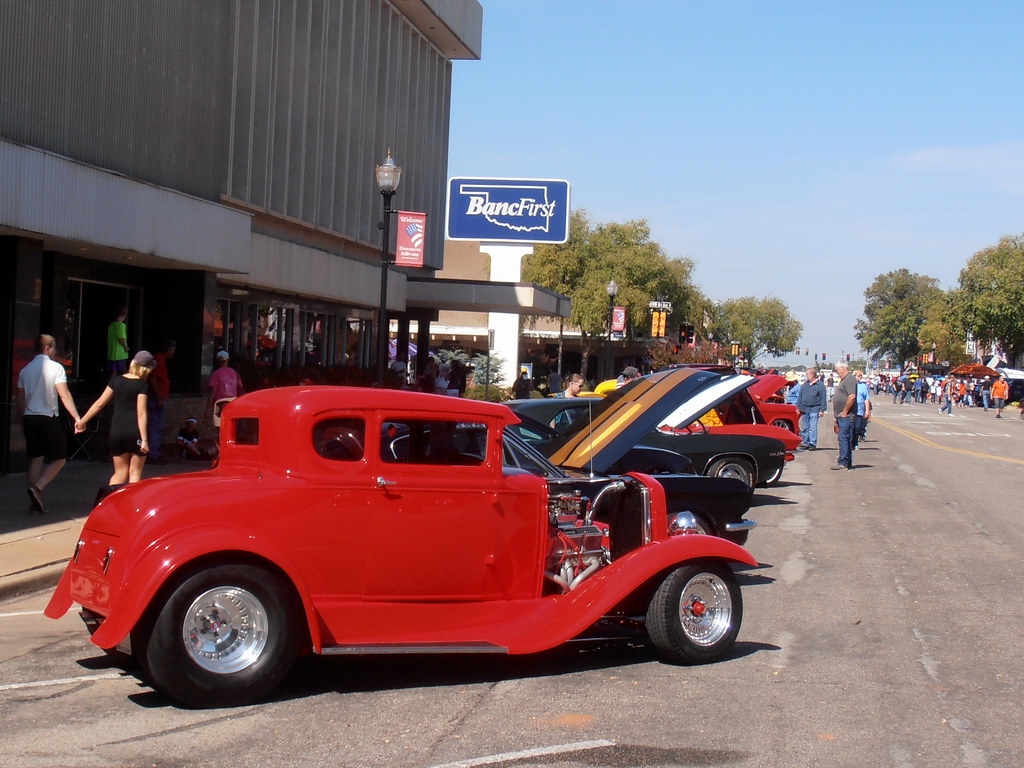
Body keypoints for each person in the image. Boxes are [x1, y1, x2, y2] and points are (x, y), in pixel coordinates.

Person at [16, 334, 84, 514]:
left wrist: (22, 421)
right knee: (60, 458)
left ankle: (35, 502)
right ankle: (38, 488)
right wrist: (77, 418)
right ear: (47, 348)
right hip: (48, 417)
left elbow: (20, 400)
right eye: (54, 348)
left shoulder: (25, 370)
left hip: (30, 418)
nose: (56, 351)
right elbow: (64, 395)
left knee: (36, 459)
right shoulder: (56, 368)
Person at [76, 350, 157, 487]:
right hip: (135, 431)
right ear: (146, 369)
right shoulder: (142, 386)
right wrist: (144, 440)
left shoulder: (116, 380)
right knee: (135, 473)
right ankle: (131, 500)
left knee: (119, 472)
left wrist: (82, 421)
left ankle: (109, 498)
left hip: (117, 431)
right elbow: (141, 413)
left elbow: (99, 404)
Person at [146, 340, 175, 464]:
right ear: (169, 349)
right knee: (155, 426)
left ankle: (154, 452)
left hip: (160, 398)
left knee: (157, 426)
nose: (173, 352)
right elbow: (153, 379)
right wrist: (159, 397)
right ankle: (153, 454)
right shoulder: (158, 360)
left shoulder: (160, 360)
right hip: (157, 399)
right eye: (173, 349)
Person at [205, 350, 245, 439]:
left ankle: (221, 445)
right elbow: (240, 388)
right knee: (232, 428)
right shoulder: (234, 373)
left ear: (217, 361)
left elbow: (212, 392)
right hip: (233, 404)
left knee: (220, 429)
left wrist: (207, 409)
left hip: (220, 405)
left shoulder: (216, 374)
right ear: (227, 360)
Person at [831, 361, 857, 471]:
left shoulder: (850, 379)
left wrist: (845, 411)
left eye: (838, 370)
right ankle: (846, 461)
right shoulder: (845, 379)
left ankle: (843, 462)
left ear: (843, 368)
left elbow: (852, 396)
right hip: (841, 416)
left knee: (843, 438)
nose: (837, 372)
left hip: (846, 416)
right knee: (845, 438)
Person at [796, 366, 827, 450]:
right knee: (805, 427)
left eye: (807, 374)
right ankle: (806, 442)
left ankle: (812, 443)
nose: (806, 376)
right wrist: (798, 407)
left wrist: (822, 410)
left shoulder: (820, 385)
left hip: (815, 409)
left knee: (812, 427)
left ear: (812, 375)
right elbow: (800, 396)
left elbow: (823, 398)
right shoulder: (805, 385)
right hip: (804, 409)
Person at [106, 306, 130, 374]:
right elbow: (121, 339)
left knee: (113, 372)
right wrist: (126, 347)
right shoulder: (122, 325)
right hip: (119, 355)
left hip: (111, 354)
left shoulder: (111, 325)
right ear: (123, 315)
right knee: (120, 372)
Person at [853, 369, 872, 449]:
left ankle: (855, 443)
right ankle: (851, 443)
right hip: (851, 409)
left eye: (861, 376)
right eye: (858, 376)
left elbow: (866, 399)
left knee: (858, 427)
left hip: (860, 410)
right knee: (851, 427)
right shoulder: (850, 385)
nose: (860, 377)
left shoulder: (863, 386)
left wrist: (867, 410)